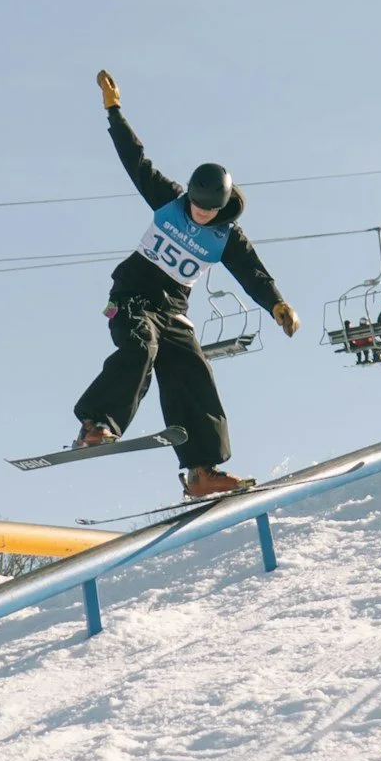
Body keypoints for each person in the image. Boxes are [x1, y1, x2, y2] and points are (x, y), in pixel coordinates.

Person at [73, 70, 299, 498]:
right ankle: (96, 423)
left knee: (194, 373)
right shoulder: (170, 199)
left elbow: (253, 272)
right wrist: (114, 111)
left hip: (173, 310)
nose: (197, 214)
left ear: (223, 206)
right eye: (194, 205)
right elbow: (135, 161)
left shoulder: (227, 237)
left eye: (206, 210)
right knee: (141, 345)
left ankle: (201, 471)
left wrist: (277, 305)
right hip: (131, 297)